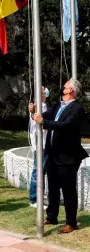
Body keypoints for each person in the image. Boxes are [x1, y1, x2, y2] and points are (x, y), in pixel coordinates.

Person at [32, 79, 88, 234]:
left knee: (68, 190)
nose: (62, 88)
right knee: (53, 188)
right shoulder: (58, 105)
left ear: (70, 90)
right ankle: (52, 216)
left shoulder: (77, 109)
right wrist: (34, 111)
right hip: (53, 153)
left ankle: (71, 222)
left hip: (68, 155)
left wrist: (43, 121)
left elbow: (67, 126)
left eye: (65, 87)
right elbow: (44, 116)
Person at [29, 86, 49, 209]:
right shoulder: (37, 105)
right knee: (38, 171)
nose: (45, 90)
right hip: (40, 143)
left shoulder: (43, 105)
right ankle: (34, 198)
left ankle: (40, 195)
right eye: (43, 89)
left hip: (45, 143)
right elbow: (34, 116)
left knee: (43, 171)